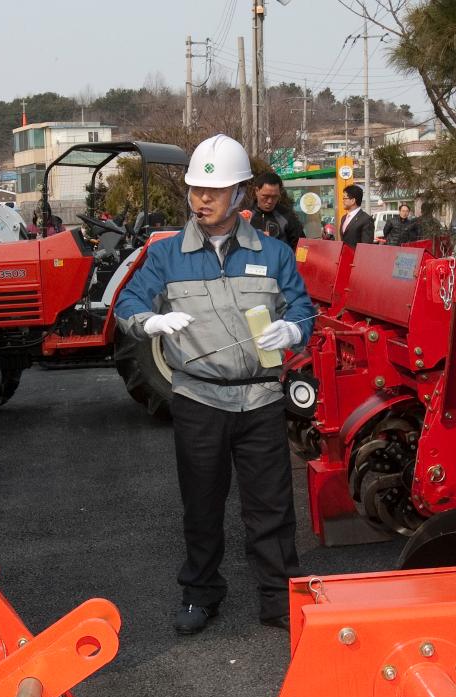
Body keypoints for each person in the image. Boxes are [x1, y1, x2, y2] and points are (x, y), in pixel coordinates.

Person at [113, 134, 315, 635]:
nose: (202, 200)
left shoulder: (273, 254)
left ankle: (280, 598)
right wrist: (148, 323)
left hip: (261, 398)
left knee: (271, 506)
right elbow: (128, 305)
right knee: (201, 503)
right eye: (196, 190)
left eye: (215, 190)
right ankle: (200, 593)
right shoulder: (167, 256)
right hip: (199, 398)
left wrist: (293, 329)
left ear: (240, 195)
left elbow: (304, 310)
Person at [245, 172, 305, 249]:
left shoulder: (287, 215)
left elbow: (301, 245)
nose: (270, 201)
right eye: (266, 196)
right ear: (256, 191)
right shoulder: (245, 214)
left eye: (274, 197)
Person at [339, 184, 375, 249]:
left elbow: (366, 246)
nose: (343, 201)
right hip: (344, 257)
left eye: (344, 198)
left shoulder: (366, 219)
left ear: (353, 200)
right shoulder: (344, 218)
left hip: (357, 258)